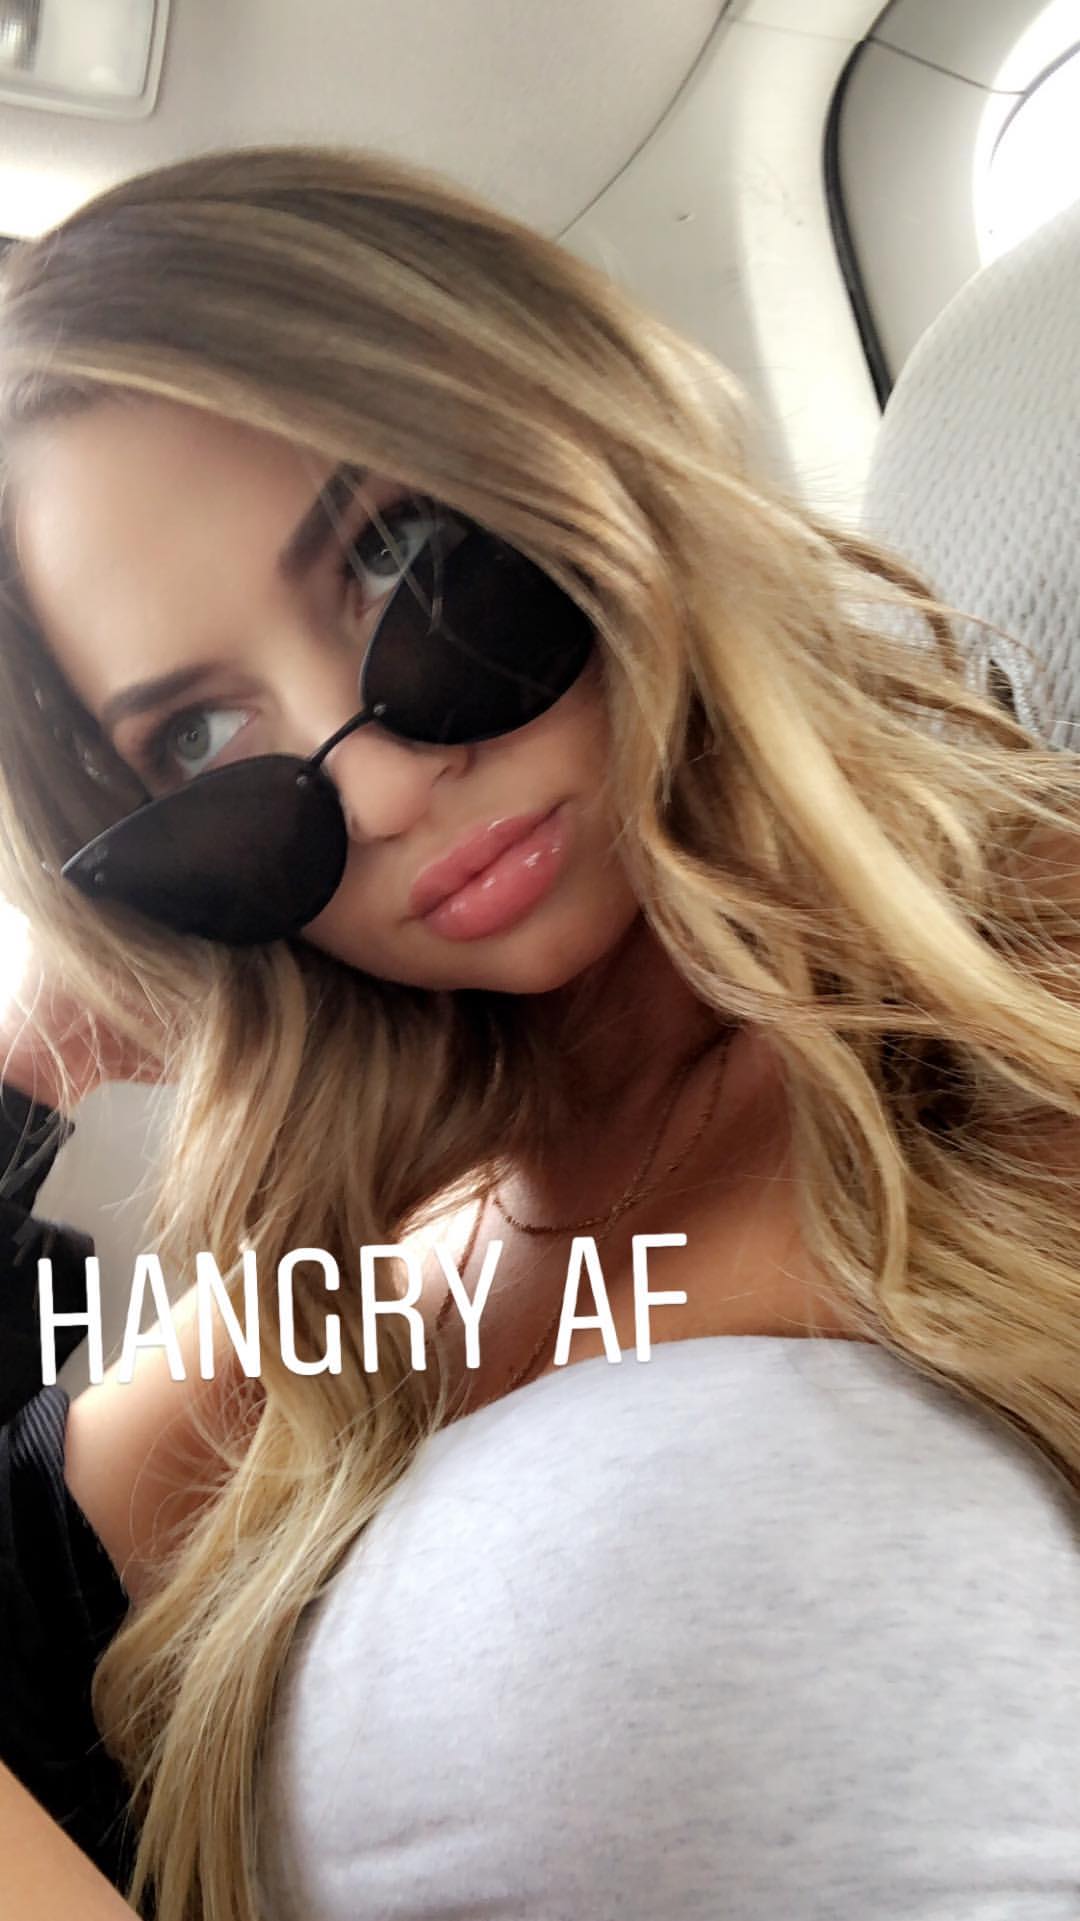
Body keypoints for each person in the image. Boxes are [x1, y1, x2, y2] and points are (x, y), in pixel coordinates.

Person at [0, 143, 1079, 1921]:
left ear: (576, 438)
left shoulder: (1026, 983)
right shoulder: (361, 1238)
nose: (379, 787)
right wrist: (23, 1074)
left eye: (397, 560)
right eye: (199, 744)